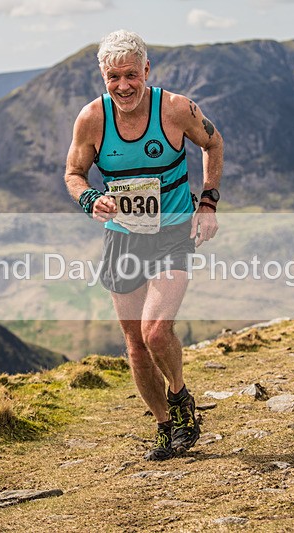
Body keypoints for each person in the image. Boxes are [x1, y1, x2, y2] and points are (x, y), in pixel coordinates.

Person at [64, 30, 224, 460]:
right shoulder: (91, 119)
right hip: (122, 238)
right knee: (134, 341)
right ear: (103, 76)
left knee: (156, 331)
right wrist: (89, 198)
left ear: (146, 71)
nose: (123, 86)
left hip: (173, 232)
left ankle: (180, 396)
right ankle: (165, 427)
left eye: (131, 74)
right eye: (113, 77)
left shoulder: (175, 109)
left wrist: (207, 202)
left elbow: (213, 142)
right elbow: (74, 173)